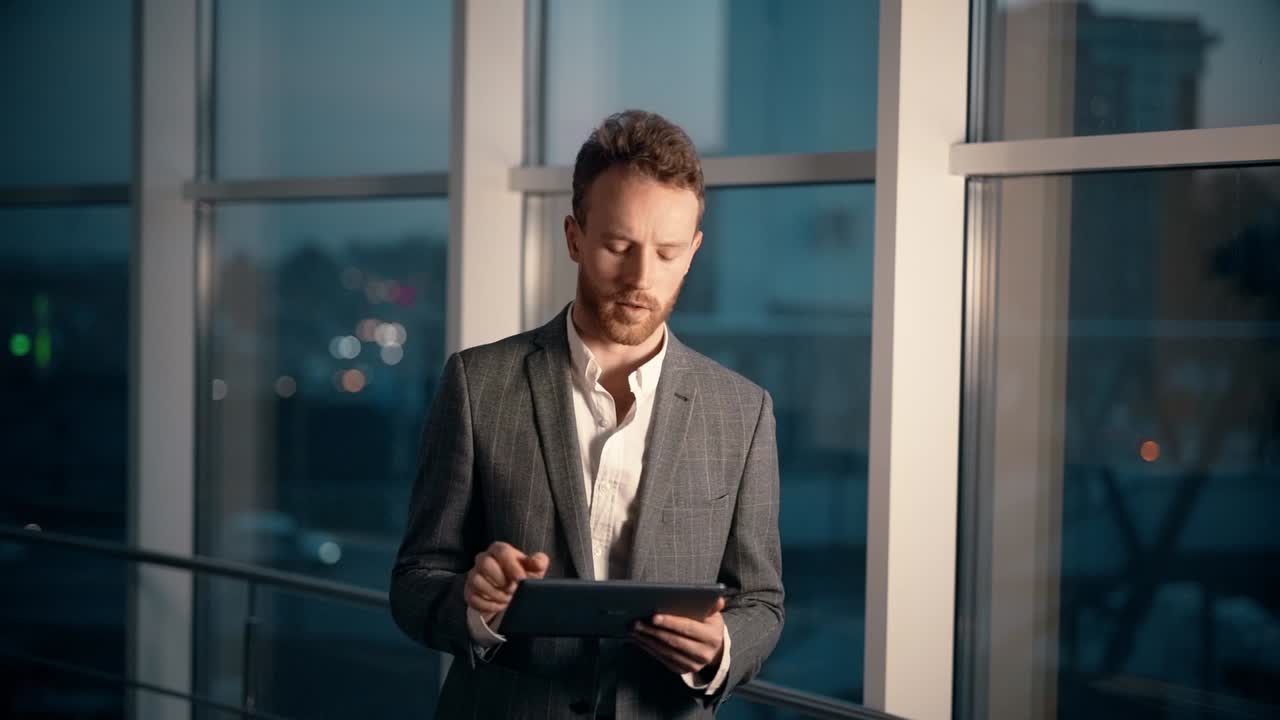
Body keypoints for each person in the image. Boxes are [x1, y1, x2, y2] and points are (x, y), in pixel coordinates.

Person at [390, 110, 783, 719]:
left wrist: (721, 649)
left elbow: (763, 601)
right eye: (618, 245)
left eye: (667, 252)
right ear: (574, 236)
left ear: (693, 253)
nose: (639, 277)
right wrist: (474, 603)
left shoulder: (743, 410)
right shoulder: (477, 383)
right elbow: (415, 580)